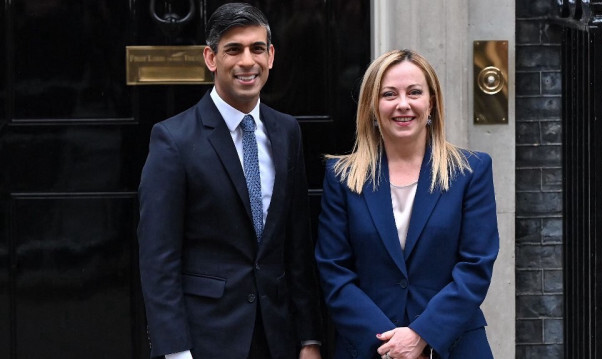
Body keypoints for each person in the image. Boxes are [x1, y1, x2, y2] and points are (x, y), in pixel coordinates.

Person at [137, 3, 323, 359]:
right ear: (211, 58)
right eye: (233, 50)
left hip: (278, 336)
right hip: (207, 339)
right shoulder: (173, 140)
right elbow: (158, 259)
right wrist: (175, 350)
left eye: (256, 49)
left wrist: (309, 338)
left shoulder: (287, 132)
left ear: (271, 56)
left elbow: (297, 245)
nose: (246, 62)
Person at [315, 49, 499, 359]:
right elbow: (334, 273)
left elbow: (476, 267)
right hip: (368, 348)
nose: (403, 104)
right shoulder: (342, 177)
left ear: (432, 103)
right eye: (389, 94)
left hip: (454, 345)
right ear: (373, 107)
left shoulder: (471, 171)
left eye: (414, 92)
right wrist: (390, 344)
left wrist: (421, 334)